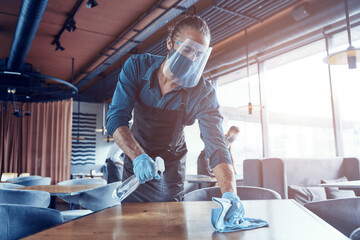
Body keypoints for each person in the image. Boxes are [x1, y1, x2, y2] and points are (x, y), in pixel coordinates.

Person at [107, 16, 242, 226]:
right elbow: (116, 119)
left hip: (170, 170)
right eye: (188, 49)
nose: (192, 59)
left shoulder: (203, 93)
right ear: (170, 42)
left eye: (199, 54)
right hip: (136, 161)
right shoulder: (137, 67)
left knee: (169, 226)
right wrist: (139, 157)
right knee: (131, 227)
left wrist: (230, 194)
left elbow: (217, 147)